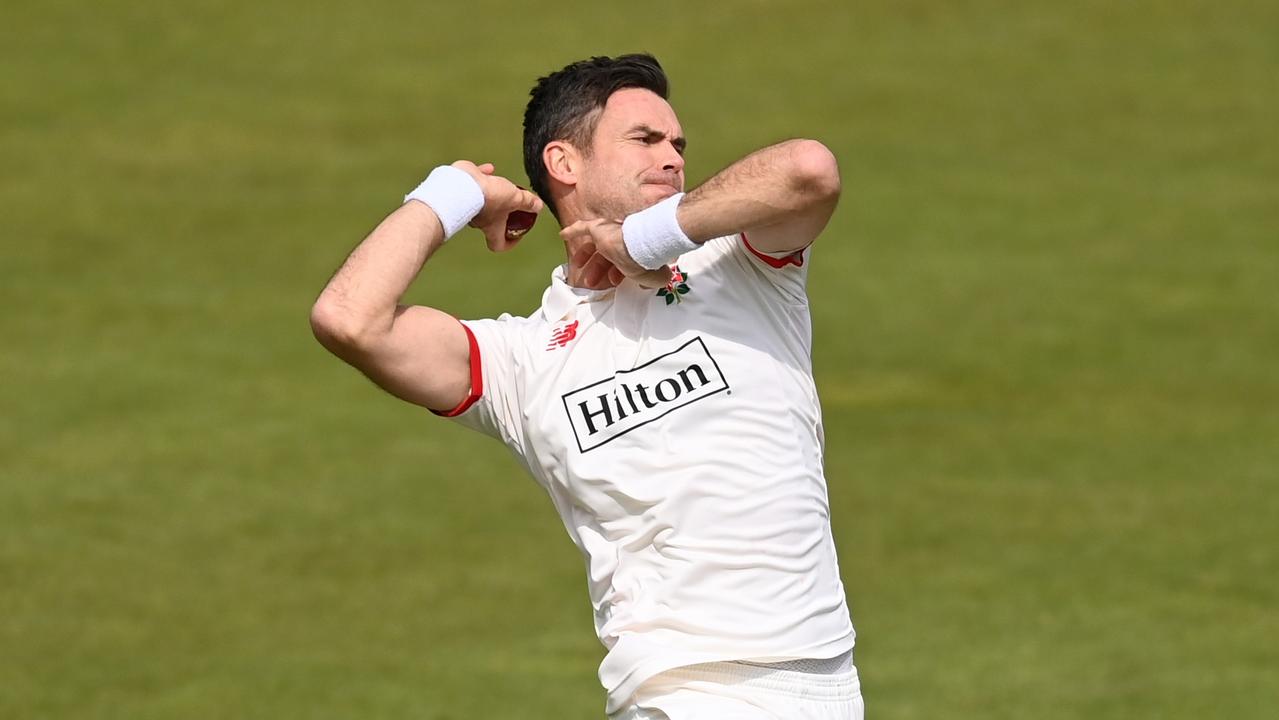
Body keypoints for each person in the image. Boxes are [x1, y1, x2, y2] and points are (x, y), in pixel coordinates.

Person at [310, 53, 863, 719]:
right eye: (644, 139)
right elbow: (349, 320)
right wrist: (454, 194)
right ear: (564, 163)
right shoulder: (519, 361)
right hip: (672, 694)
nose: (672, 158)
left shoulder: (739, 268)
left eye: (678, 144)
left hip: (822, 680)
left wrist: (648, 239)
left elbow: (808, 171)